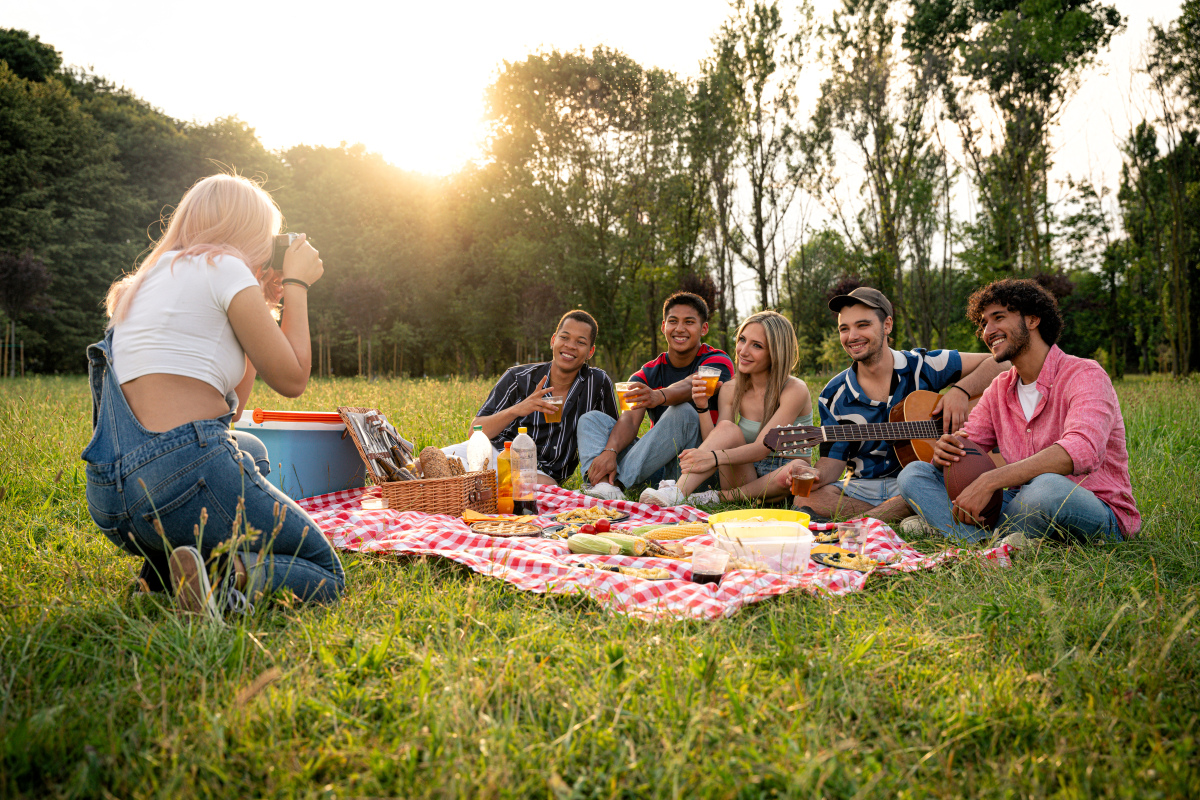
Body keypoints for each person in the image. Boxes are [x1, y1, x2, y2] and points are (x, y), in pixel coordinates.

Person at [81, 173, 344, 618]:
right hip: (182, 477)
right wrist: (296, 289)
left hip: (112, 495)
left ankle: (161, 575)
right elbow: (294, 377)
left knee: (252, 448)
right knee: (325, 572)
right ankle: (225, 577)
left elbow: (233, 409)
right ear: (251, 234)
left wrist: (260, 302)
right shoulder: (226, 267)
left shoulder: (141, 284)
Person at [896, 279, 1140, 547]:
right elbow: (970, 445)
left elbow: (1081, 450)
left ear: (1033, 319)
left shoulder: (1085, 374)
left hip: (1090, 506)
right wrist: (949, 451)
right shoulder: (999, 389)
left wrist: (991, 480)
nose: (988, 331)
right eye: (983, 323)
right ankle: (985, 546)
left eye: (998, 318)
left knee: (1046, 487)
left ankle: (952, 530)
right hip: (1019, 503)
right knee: (914, 474)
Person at [776, 286, 1009, 522]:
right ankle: (907, 514)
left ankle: (867, 521)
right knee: (804, 499)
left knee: (924, 484)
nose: (852, 336)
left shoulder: (923, 365)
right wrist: (816, 475)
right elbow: (833, 462)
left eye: (862, 325)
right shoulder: (834, 394)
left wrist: (960, 391)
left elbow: (1003, 363)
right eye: (844, 329)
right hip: (864, 487)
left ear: (887, 325)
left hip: (925, 480)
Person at [639, 310, 813, 507]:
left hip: (782, 482)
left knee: (798, 467)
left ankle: (717, 498)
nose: (743, 351)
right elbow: (716, 439)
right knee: (727, 428)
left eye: (757, 345)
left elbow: (761, 449)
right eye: (742, 340)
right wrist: (702, 407)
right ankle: (677, 493)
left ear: (776, 352)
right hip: (745, 475)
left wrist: (712, 458)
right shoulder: (731, 388)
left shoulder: (794, 390)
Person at [575, 292, 734, 501]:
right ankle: (603, 486)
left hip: (695, 471)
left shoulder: (718, 360)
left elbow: (694, 383)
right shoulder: (646, 373)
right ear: (663, 326)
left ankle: (618, 483)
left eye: (689, 322)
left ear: (704, 328)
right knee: (591, 419)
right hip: (655, 468)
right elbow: (630, 420)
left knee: (683, 411)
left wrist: (659, 396)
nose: (679, 329)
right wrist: (610, 451)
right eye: (673, 321)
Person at [444, 310, 618, 486]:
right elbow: (475, 432)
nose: (570, 346)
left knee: (538, 487)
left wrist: (609, 456)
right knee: (430, 463)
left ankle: (479, 485)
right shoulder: (518, 377)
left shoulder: (597, 382)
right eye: (564, 337)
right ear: (553, 340)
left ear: (590, 351)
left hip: (541, 475)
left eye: (580, 342)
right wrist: (517, 409)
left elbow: (613, 430)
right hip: (496, 454)